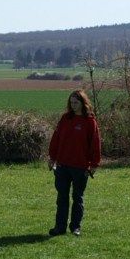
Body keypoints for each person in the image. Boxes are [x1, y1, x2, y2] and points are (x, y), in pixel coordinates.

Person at [47, 90, 102, 237]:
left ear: (83, 103)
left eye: (76, 102)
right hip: (62, 165)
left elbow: (95, 144)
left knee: (78, 198)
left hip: (80, 167)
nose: (73, 105)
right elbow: (56, 138)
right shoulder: (65, 119)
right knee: (62, 198)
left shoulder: (90, 121)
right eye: (71, 103)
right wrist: (52, 158)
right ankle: (59, 227)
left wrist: (94, 164)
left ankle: (75, 227)